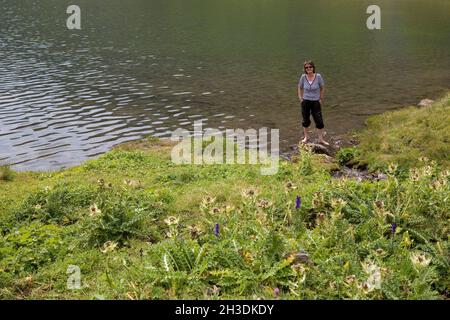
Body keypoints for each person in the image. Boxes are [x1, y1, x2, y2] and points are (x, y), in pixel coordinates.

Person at [298, 60, 329, 145]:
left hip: (316, 101)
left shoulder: (318, 76)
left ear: (313, 67)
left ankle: (320, 139)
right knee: (305, 120)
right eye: (306, 67)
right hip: (306, 101)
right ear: (305, 69)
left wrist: (320, 99)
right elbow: (299, 87)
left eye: (310, 67)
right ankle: (306, 137)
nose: (308, 68)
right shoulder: (303, 77)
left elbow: (322, 87)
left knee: (319, 120)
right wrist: (301, 98)